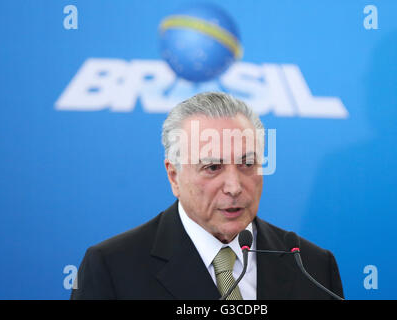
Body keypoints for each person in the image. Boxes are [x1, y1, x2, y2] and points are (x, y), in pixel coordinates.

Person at [71, 92, 344, 300]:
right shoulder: (112, 267)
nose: (234, 187)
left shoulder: (313, 267)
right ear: (174, 175)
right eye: (212, 167)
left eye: (247, 164)